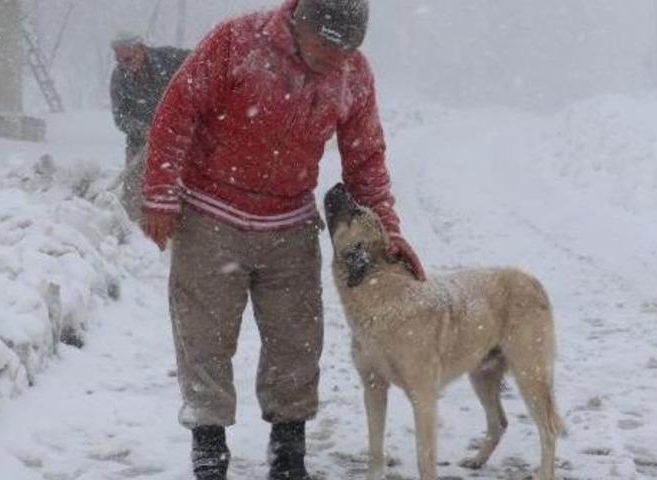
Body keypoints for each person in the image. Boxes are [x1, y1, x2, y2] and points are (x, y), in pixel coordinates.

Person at [140, 1, 425, 479]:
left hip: (289, 222)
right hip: (213, 215)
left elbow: (366, 161)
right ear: (300, 23)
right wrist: (161, 195)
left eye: (348, 51)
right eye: (328, 48)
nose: (337, 60)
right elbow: (178, 110)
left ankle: (288, 454)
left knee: (296, 342)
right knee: (204, 338)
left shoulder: (352, 71)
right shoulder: (237, 41)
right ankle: (209, 451)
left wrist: (387, 232)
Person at [109, 33, 189, 221]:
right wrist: (145, 130)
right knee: (134, 190)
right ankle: (132, 232)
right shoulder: (119, 77)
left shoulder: (170, 59)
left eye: (127, 58)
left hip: (178, 140)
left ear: (141, 49)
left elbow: (204, 63)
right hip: (141, 143)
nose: (124, 64)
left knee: (183, 187)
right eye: (119, 60)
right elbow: (120, 117)